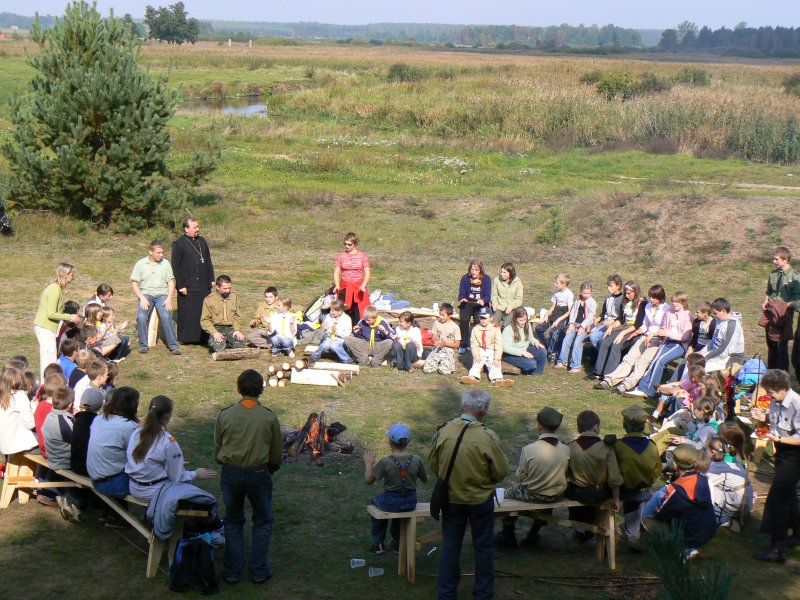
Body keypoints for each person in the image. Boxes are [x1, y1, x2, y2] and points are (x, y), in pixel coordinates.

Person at [428, 390, 508, 600]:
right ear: (484, 410)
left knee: (451, 546)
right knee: (483, 547)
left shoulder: (444, 431)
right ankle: (483, 594)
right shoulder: (487, 437)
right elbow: (500, 472)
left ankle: (446, 594)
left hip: (451, 499)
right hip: (480, 500)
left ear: (463, 406)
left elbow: (434, 464)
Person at [214, 369, 283, 584]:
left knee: (233, 520)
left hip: (231, 472)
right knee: (263, 520)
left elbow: (218, 447)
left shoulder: (225, 414)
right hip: (259, 473)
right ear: (261, 390)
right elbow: (276, 452)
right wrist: (270, 468)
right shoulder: (269, 417)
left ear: (238, 388)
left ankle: (233, 570)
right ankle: (258, 570)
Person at [494, 407, 570, 548]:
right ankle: (534, 533)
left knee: (506, 495)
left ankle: (508, 533)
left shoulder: (530, 449)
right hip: (557, 494)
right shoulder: (565, 449)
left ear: (539, 425)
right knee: (547, 492)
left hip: (534, 494)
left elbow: (521, 476)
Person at [126, 395, 217, 501]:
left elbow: (146, 461)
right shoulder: (168, 442)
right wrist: (196, 473)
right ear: (168, 415)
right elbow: (177, 478)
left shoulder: (136, 433)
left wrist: (171, 464)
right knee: (205, 499)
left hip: (134, 488)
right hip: (155, 492)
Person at [752, 369, 800, 563]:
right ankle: (798, 533)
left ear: (782, 389)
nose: (769, 396)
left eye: (771, 392)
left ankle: (777, 547)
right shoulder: (776, 401)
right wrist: (762, 416)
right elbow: (776, 420)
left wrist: (779, 438)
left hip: (795, 456)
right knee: (789, 496)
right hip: (781, 451)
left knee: (776, 498)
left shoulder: (797, 404)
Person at [643, 444, 718, 558]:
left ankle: (682, 549)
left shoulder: (676, 489)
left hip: (688, 535)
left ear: (675, 464)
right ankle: (690, 548)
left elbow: (661, 514)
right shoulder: (703, 479)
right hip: (709, 531)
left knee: (648, 520)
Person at [364, 423, 428, 554]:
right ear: (408, 441)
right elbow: (425, 480)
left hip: (390, 501)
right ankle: (398, 543)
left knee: (376, 505)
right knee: (400, 513)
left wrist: (368, 465)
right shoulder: (416, 459)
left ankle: (378, 544)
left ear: (390, 442)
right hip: (410, 501)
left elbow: (368, 481)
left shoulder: (386, 462)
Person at [595, 284, 670, 393]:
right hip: (645, 336)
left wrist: (652, 335)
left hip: (658, 339)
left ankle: (627, 384)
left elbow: (664, 329)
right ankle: (610, 380)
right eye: (650, 297)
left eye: (654, 297)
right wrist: (636, 333)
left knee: (642, 361)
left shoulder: (666, 309)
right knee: (629, 358)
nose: (651, 299)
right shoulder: (648, 306)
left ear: (660, 297)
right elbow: (645, 325)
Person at [565, 410, 623, 542]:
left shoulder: (570, 447)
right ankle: (587, 527)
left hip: (576, 492)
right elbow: (614, 478)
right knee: (597, 492)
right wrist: (616, 499)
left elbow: (565, 472)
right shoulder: (606, 448)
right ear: (596, 426)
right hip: (599, 492)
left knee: (572, 488)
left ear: (579, 427)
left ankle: (579, 528)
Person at [625, 291, 693, 398]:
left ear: (684, 303)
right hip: (667, 341)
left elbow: (685, 337)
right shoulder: (669, 313)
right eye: (673, 302)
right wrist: (659, 332)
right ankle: (642, 387)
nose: (674, 304)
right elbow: (663, 326)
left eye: (677, 302)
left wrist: (667, 333)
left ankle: (650, 391)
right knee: (654, 361)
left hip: (679, 345)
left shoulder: (687, 316)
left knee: (660, 361)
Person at [613, 405, 662, 551]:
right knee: (636, 503)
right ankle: (633, 536)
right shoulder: (652, 446)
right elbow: (657, 470)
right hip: (642, 491)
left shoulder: (619, 446)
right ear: (642, 427)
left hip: (621, 490)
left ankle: (612, 532)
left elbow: (611, 470)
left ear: (624, 425)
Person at [87, 386, 141, 498]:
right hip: (112, 483)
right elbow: (140, 457)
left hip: (95, 477)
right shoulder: (129, 427)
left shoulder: (99, 419)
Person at [130, 240, 181, 355]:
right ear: (150, 252)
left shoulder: (165, 263)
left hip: (162, 294)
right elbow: (134, 283)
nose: (161, 255)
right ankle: (143, 345)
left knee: (166, 316)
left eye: (162, 252)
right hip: (146, 294)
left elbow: (171, 282)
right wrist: (142, 298)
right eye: (158, 252)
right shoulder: (141, 264)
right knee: (141, 316)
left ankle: (173, 345)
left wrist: (169, 298)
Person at [34, 263, 83, 379]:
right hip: (45, 328)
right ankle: (45, 390)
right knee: (48, 360)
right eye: (71, 274)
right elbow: (51, 313)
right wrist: (70, 317)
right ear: (65, 275)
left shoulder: (56, 289)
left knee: (50, 359)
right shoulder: (54, 290)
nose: (73, 277)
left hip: (48, 328)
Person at [41, 386, 82, 523]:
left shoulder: (50, 416)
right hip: (65, 462)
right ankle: (70, 501)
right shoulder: (65, 422)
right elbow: (77, 442)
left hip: (53, 457)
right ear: (70, 404)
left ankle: (66, 498)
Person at [172, 217, 215, 345]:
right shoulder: (179, 244)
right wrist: (180, 285)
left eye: (198, 226)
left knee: (204, 311)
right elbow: (176, 266)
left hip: (203, 283)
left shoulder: (202, 241)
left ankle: (203, 337)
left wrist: (211, 278)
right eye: (194, 227)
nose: (197, 229)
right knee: (188, 312)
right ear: (186, 229)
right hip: (187, 285)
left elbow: (208, 261)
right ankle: (185, 338)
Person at [593, 280, 645, 379]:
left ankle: (609, 374)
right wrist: (612, 327)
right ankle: (598, 371)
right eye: (626, 293)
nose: (627, 295)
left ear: (635, 292)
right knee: (605, 340)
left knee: (616, 344)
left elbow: (638, 324)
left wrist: (622, 333)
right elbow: (621, 319)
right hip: (624, 326)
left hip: (633, 329)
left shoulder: (642, 303)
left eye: (629, 293)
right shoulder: (625, 302)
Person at [762, 246, 800, 371]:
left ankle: (782, 376)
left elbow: (798, 300)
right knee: (771, 344)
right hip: (771, 311)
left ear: (785, 260)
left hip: (784, 314)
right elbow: (769, 291)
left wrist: (786, 306)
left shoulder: (795, 277)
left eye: (776, 259)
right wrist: (766, 301)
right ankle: (772, 373)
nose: (774, 261)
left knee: (781, 345)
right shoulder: (773, 274)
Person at [462, 306, 514, 387]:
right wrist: (476, 355)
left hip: (491, 351)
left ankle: (498, 380)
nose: (483, 320)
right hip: (480, 350)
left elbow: (498, 344)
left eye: (485, 318)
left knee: (495, 366)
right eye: (481, 318)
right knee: (476, 364)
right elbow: (474, 344)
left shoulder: (495, 328)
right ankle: (473, 378)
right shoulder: (475, 329)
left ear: (491, 318)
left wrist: (497, 358)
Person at [556, 281, 597, 373]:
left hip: (586, 326)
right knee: (567, 339)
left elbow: (590, 317)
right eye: (584, 293)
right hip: (575, 324)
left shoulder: (592, 302)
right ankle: (562, 361)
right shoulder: (577, 300)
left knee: (577, 342)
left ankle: (576, 365)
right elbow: (573, 312)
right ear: (580, 292)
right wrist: (571, 324)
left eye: (588, 293)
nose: (586, 295)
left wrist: (582, 327)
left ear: (591, 292)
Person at [200, 275, 246, 353]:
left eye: (229, 288)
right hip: (217, 328)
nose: (228, 291)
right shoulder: (209, 300)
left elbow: (238, 315)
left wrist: (237, 330)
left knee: (242, 346)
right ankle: (218, 342)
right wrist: (214, 332)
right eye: (225, 288)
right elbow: (204, 320)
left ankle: (228, 342)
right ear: (217, 287)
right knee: (219, 349)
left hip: (231, 328)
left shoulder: (234, 296)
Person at [698, 298, 745, 374]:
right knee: (690, 363)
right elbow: (713, 341)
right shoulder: (720, 321)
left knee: (698, 369)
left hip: (730, 357)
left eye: (715, 313)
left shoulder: (732, 325)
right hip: (716, 353)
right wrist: (701, 352)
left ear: (723, 311)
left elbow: (725, 349)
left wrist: (705, 358)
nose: (714, 316)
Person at [534, 273, 574, 361]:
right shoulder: (556, 293)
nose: (555, 284)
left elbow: (569, 311)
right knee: (538, 328)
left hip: (562, 317)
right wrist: (545, 316)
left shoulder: (569, 294)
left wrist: (558, 320)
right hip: (554, 315)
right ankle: (545, 346)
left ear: (563, 284)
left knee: (553, 332)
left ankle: (551, 352)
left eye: (557, 283)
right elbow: (553, 306)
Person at [333, 232, 372, 322]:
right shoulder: (341, 256)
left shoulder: (363, 256)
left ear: (355, 244)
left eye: (349, 244)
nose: (347, 246)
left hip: (358, 287)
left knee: (358, 311)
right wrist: (337, 285)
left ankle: (357, 329)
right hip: (345, 286)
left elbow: (367, 273)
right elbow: (336, 273)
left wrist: (363, 285)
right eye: (345, 244)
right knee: (343, 311)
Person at [0, 366, 38, 457]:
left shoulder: (3, 395)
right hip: (20, 445)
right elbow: (30, 424)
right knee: (51, 449)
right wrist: (35, 407)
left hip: (5, 445)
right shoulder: (20, 396)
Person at [500, 307, 547, 376]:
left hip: (525, 349)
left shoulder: (527, 325)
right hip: (511, 354)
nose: (523, 322)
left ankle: (537, 373)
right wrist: (522, 353)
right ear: (515, 319)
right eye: (520, 320)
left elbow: (531, 338)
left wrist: (535, 342)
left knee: (542, 351)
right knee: (532, 363)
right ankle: (527, 368)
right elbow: (505, 347)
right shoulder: (508, 329)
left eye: (525, 320)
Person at [457, 260, 491, 353]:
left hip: (480, 305)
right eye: (472, 269)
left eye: (476, 270)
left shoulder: (486, 279)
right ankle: (464, 343)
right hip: (468, 303)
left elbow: (488, 295)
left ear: (480, 270)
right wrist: (462, 299)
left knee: (478, 321)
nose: (473, 271)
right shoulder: (465, 278)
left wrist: (483, 300)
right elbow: (461, 294)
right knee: (464, 320)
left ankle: (478, 343)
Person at [588, 274, 624, 353]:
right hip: (605, 324)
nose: (608, 288)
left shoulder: (622, 299)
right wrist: (599, 318)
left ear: (618, 286)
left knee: (601, 339)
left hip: (615, 325)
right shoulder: (608, 298)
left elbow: (622, 317)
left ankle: (603, 355)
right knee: (593, 337)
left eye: (611, 286)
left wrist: (612, 322)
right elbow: (604, 312)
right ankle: (601, 354)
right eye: (608, 286)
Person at [422, 303, 461, 375]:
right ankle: (433, 359)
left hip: (448, 350)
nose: (441, 317)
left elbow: (457, 345)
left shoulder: (455, 327)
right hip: (437, 348)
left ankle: (444, 362)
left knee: (444, 372)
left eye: (443, 315)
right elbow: (433, 337)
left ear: (449, 315)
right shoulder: (436, 323)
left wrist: (445, 343)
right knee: (427, 369)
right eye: (440, 314)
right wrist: (435, 341)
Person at [491, 262, 523, 328]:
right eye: (501, 272)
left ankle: (506, 337)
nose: (501, 274)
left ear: (510, 273)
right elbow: (494, 294)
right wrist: (494, 302)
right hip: (499, 307)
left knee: (507, 325)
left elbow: (519, 299)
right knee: (493, 325)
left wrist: (512, 305)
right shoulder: (496, 280)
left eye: (504, 272)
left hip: (511, 308)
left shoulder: (517, 282)